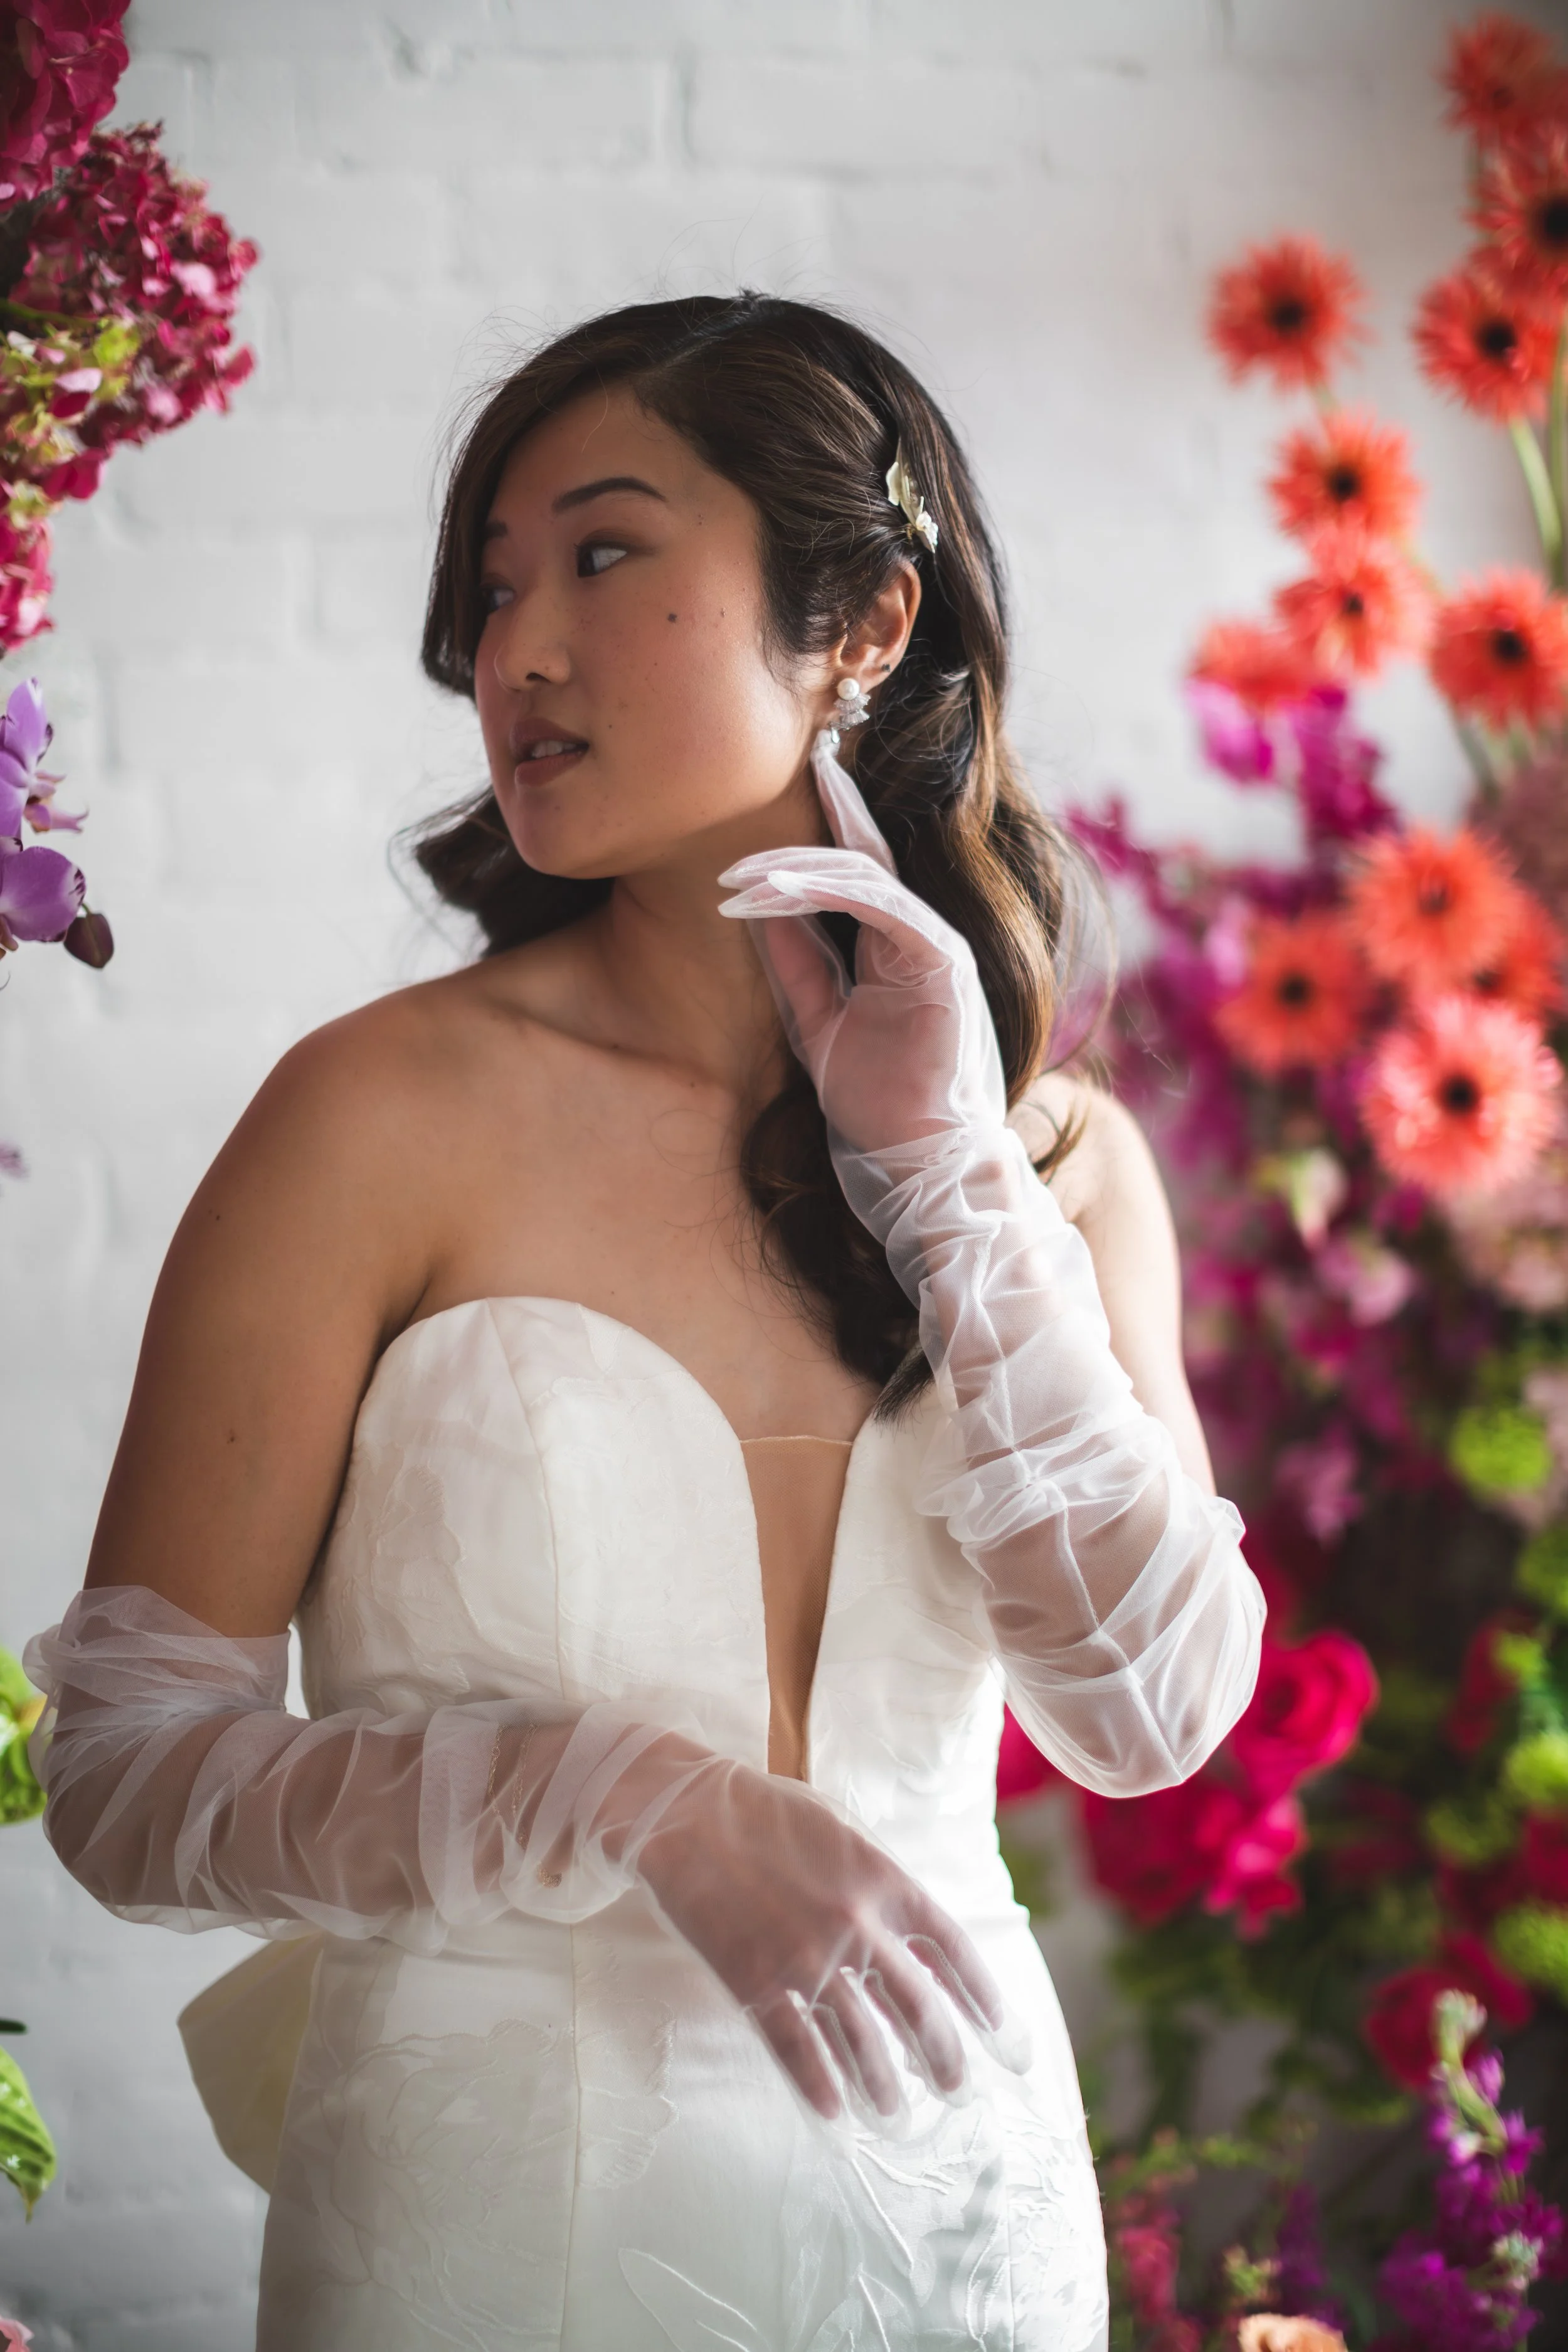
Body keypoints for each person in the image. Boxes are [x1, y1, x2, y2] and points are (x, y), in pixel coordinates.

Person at [25, 294, 1263, 2351]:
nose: (513, 648)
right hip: (478, 2248)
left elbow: (1148, 1723)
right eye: (495, 583)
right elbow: (124, 1779)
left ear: (860, 621)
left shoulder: (1055, 1167)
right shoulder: (371, 1117)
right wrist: (617, 1795)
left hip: (964, 2244)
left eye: (602, 553)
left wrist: (946, 1181)